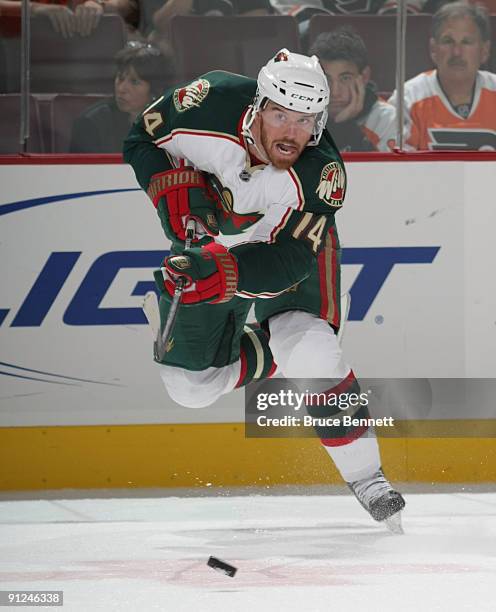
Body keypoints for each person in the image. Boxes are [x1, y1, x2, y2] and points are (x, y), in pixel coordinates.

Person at [124, 49, 405, 530]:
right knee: (190, 390)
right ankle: (274, 348)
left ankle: (367, 477)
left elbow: (292, 259)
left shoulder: (321, 172)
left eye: (304, 120)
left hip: (279, 246)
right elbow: (140, 139)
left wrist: (228, 273)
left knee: (312, 349)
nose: (291, 132)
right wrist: (165, 186)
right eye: (280, 114)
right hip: (210, 237)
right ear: (257, 107)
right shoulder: (207, 103)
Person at [389, 2, 496, 151]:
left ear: (484, 51)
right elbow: (396, 169)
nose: (457, 52)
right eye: (448, 41)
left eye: (466, 42)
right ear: (433, 49)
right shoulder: (408, 98)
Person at [70, 42, 170, 153]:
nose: (121, 89)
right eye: (120, 78)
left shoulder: (171, 122)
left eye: (134, 82)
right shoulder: (91, 124)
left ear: (155, 90)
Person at [309, 27, 396, 152]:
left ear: (364, 76)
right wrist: (338, 126)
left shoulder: (386, 119)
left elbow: (380, 171)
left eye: (345, 78)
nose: (335, 92)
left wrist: (346, 126)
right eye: (326, 79)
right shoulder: (300, 115)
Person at [0, 0, 139, 38]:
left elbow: (130, 5)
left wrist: (99, 4)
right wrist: (31, 8)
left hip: (88, 64)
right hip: (15, 64)